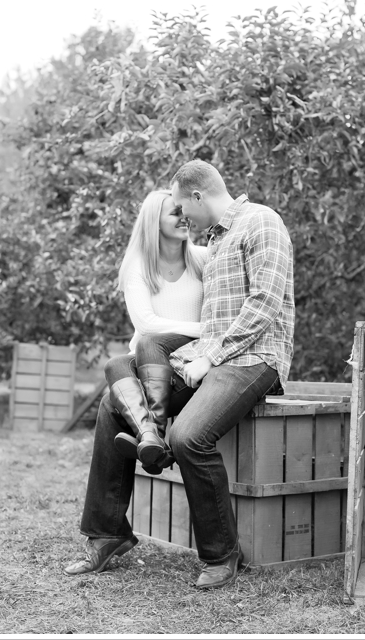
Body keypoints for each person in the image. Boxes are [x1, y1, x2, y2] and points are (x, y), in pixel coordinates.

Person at [64, 160, 294, 592]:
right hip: (211, 359)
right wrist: (196, 357)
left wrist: (212, 355)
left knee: (187, 437)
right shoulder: (216, 240)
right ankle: (108, 531)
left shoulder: (262, 222)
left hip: (255, 359)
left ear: (197, 197)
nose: (182, 218)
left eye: (181, 208)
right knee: (115, 398)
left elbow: (265, 303)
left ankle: (222, 554)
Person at [64, 189, 207, 574]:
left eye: (184, 209)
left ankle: (108, 532)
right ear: (152, 222)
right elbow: (146, 326)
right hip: (147, 369)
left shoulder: (203, 260)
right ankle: (151, 436)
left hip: (190, 369)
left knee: (112, 402)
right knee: (120, 361)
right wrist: (201, 328)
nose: (183, 215)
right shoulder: (138, 266)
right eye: (172, 212)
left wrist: (204, 339)